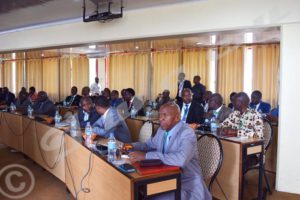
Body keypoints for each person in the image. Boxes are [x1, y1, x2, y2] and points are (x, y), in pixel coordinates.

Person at [128, 102, 212, 200]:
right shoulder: (162, 130)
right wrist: (130, 145)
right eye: (160, 115)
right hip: (164, 177)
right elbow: (148, 145)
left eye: (165, 115)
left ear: (177, 117)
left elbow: (181, 159)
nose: (160, 118)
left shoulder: (187, 133)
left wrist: (146, 156)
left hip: (185, 182)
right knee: (137, 190)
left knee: (151, 196)